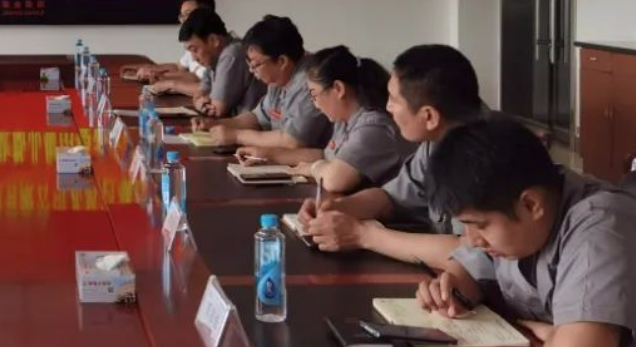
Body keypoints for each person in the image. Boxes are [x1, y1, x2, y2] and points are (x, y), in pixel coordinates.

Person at [416, 119, 636, 347]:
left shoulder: (601, 225)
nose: (471, 239)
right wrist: (452, 291)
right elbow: (471, 269)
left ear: (531, 204)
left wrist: (553, 336)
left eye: (479, 225)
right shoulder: (519, 220)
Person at [298, 44, 487, 267]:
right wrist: (337, 208)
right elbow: (391, 199)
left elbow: (472, 254)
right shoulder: (436, 141)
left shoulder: (483, 155)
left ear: (429, 116)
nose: (388, 108)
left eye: (394, 101)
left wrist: (363, 235)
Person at [238, 45, 413, 194]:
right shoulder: (344, 119)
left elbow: (335, 180)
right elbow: (325, 155)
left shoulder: (374, 126)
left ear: (338, 89)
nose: (314, 104)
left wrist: (312, 168)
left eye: (314, 95)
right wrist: (267, 155)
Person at [196, 15, 331, 151]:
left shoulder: (310, 82)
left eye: (255, 65)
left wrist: (237, 136)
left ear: (282, 61)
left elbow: (293, 141)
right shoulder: (279, 79)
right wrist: (214, 124)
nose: (251, 70)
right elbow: (257, 117)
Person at [148, 8, 263, 116]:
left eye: (195, 50)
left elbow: (217, 110)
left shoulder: (232, 54)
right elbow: (200, 92)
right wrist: (200, 101)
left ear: (214, 40)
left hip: (250, 126)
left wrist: (201, 102)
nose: (194, 58)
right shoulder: (214, 58)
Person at [121, 0, 217, 82]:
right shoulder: (193, 40)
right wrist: (151, 69)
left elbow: (197, 79)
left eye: (188, 14)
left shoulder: (213, 43)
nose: (184, 21)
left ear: (206, 13)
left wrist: (158, 75)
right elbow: (178, 68)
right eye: (182, 16)